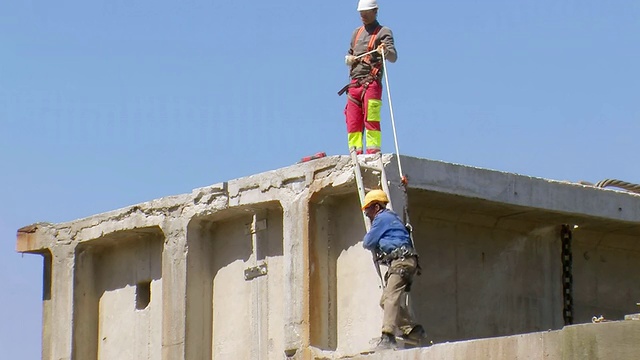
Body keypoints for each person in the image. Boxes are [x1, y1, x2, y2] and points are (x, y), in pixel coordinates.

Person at [361, 189, 424, 350]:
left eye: (368, 210)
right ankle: (412, 329)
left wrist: (376, 239)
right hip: (404, 261)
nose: (368, 215)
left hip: (401, 261)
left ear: (376, 207)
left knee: (390, 298)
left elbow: (368, 242)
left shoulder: (382, 218)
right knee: (386, 301)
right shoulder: (392, 217)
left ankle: (387, 336)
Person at [339, 0, 397, 155]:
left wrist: (383, 51)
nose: (363, 16)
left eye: (365, 13)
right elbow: (351, 52)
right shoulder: (356, 33)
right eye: (361, 14)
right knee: (353, 122)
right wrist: (349, 58)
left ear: (375, 11)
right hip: (354, 84)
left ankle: (373, 153)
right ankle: (354, 154)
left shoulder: (383, 32)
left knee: (371, 118)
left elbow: (393, 56)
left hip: (371, 83)